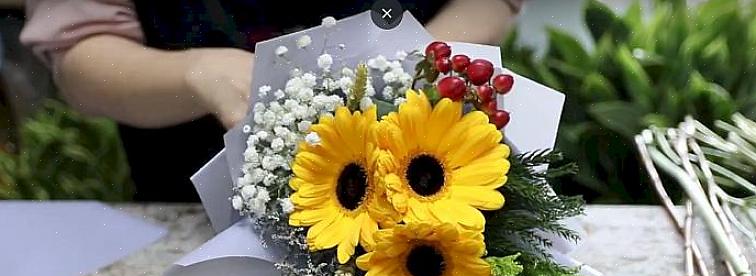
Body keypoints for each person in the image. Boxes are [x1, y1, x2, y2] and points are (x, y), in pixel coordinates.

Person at [21, 0, 523, 201]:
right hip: (191, 205)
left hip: (419, 184)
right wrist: (196, 73)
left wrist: (417, 65)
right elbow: (80, 55)